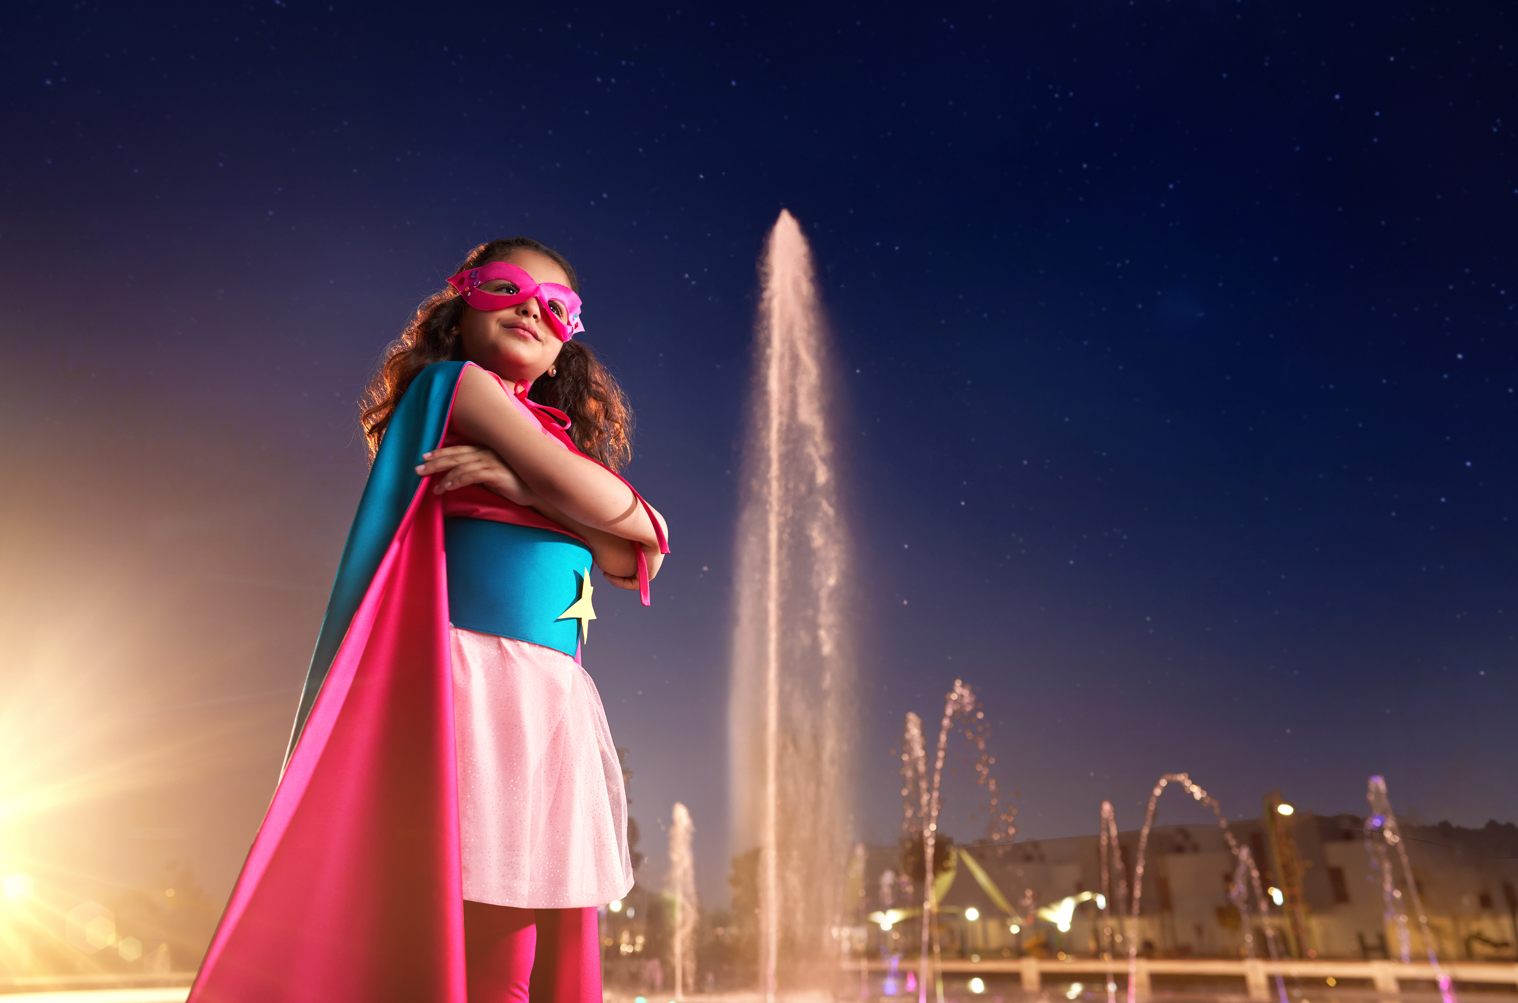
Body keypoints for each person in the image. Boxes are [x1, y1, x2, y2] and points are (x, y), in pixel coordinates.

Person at [187, 238, 669, 1003]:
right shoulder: (456, 387)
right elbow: (629, 522)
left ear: (563, 349)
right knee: (486, 948)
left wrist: (523, 484)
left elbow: (637, 546)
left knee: (524, 940)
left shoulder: (545, 436)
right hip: (473, 684)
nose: (531, 310)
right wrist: (560, 494)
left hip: (546, 698)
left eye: (558, 308)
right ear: (462, 305)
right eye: (508, 289)